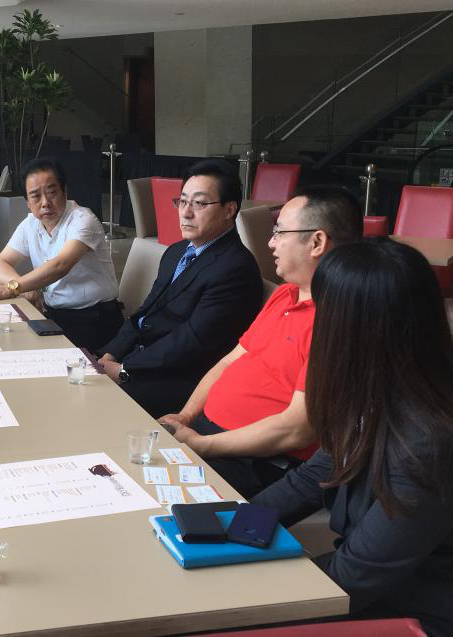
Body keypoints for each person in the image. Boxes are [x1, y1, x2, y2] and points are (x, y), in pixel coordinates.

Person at [253, 238, 453, 636]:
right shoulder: (377, 390)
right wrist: (230, 523)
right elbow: (314, 476)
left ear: (352, 329)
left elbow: (354, 577)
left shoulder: (427, 441)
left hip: (414, 615)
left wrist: (245, 599)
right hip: (369, 588)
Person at [159, 185, 362, 498]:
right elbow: (231, 360)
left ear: (317, 242)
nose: (270, 242)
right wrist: (185, 416)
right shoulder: (285, 293)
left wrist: (202, 445)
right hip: (206, 432)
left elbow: (295, 429)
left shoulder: (336, 321)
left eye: (279, 232)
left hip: (257, 460)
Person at [99, 159, 262, 417]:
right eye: (182, 201)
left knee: (97, 406)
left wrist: (124, 369)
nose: (186, 212)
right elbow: (145, 312)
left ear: (229, 210)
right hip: (146, 359)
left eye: (199, 203)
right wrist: (110, 354)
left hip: (183, 380)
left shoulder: (235, 268)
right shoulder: (176, 252)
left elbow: (191, 341)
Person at [0, 157, 123, 352]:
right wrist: (23, 289)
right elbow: (0, 265)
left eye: (52, 193)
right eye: (35, 196)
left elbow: (61, 265)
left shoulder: (83, 219)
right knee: (1, 340)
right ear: (27, 202)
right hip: (55, 315)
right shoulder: (30, 224)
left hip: (95, 320)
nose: (45, 203)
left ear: (64, 191)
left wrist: (12, 287)